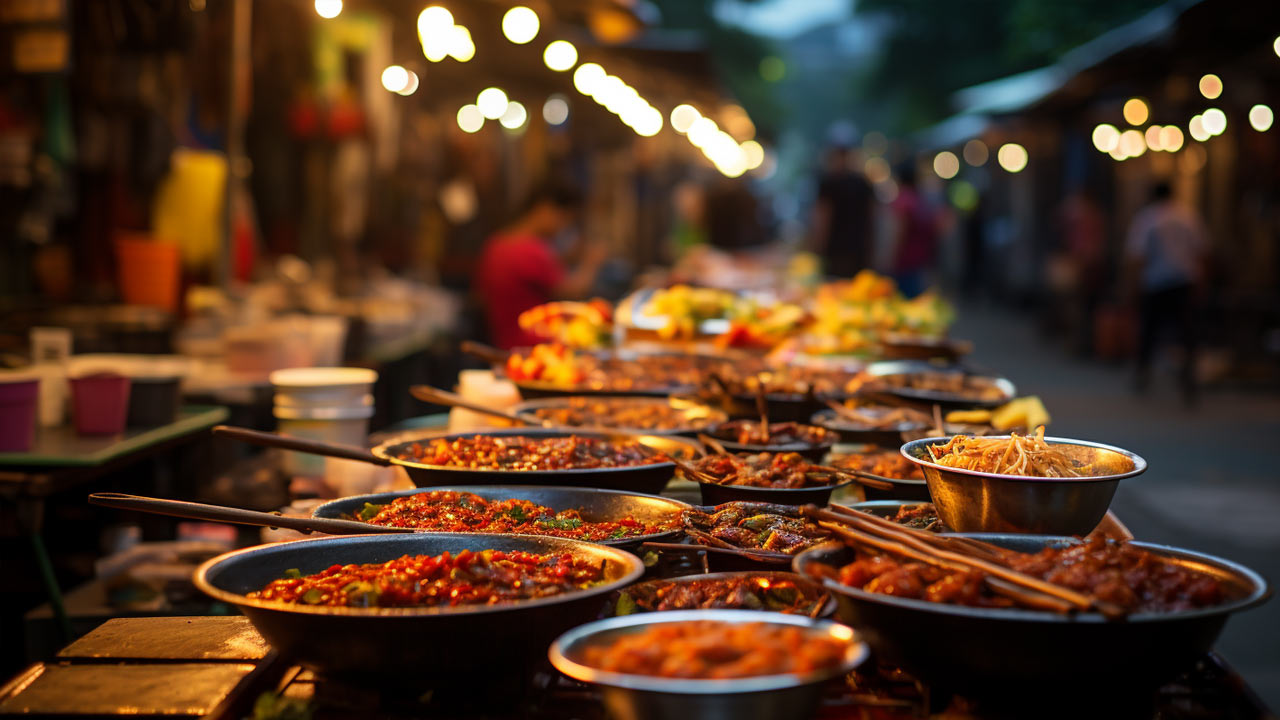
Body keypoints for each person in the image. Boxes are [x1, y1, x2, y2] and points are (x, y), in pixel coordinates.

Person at [475, 179, 606, 348]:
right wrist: (592, 261)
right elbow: (572, 293)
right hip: (531, 345)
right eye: (564, 219)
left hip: (502, 341)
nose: (563, 228)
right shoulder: (531, 250)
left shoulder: (497, 244)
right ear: (545, 209)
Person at [1125, 181, 1208, 402]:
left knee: (1149, 332)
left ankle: (1143, 374)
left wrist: (1132, 285)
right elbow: (1201, 252)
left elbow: (1137, 255)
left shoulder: (1147, 218)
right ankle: (1189, 377)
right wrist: (1200, 283)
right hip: (1184, 281)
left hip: (1156, 282)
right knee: (1187, 333)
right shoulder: (1188, 216)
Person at [812, 146, 873, 278]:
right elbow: (872, 217)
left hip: (835, 251)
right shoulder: (863, 183)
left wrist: (817, 248)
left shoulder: (829, 182)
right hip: (858, 250)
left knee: (834, 291)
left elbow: (823, 218)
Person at [888, 163, 939, 298]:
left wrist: (891, 256)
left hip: (905, 260)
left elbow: (900, 232)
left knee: (904, 300)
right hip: (920, 258)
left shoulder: (904, 200)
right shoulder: (919, 199)